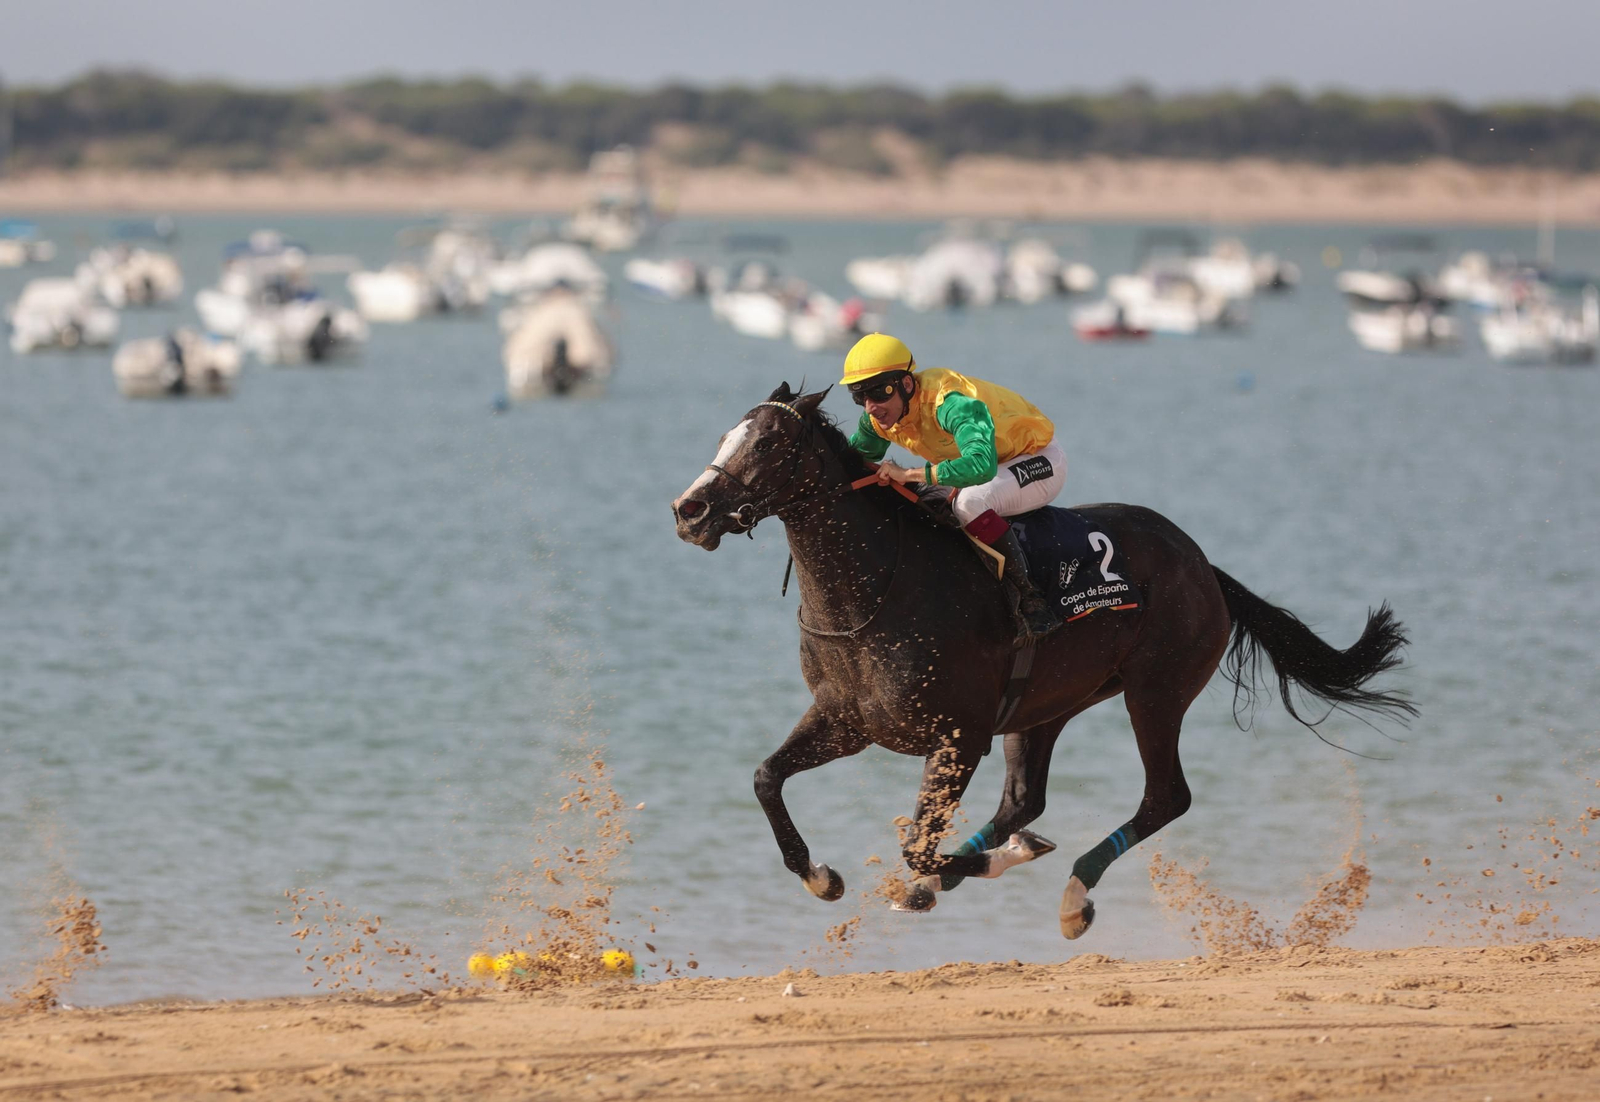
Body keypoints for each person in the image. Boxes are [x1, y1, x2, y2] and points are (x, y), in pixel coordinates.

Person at [840, 333, 1065, 642]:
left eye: (878, 392)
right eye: (859, 396)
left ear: (906, 385)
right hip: (992, 465)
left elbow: (980, 467)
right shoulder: (882, 418)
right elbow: (849, 465)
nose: (871, 407)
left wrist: (908, 474)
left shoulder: (950, 403)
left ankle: (1030, 600)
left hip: (1037, 459)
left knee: (969, 503)